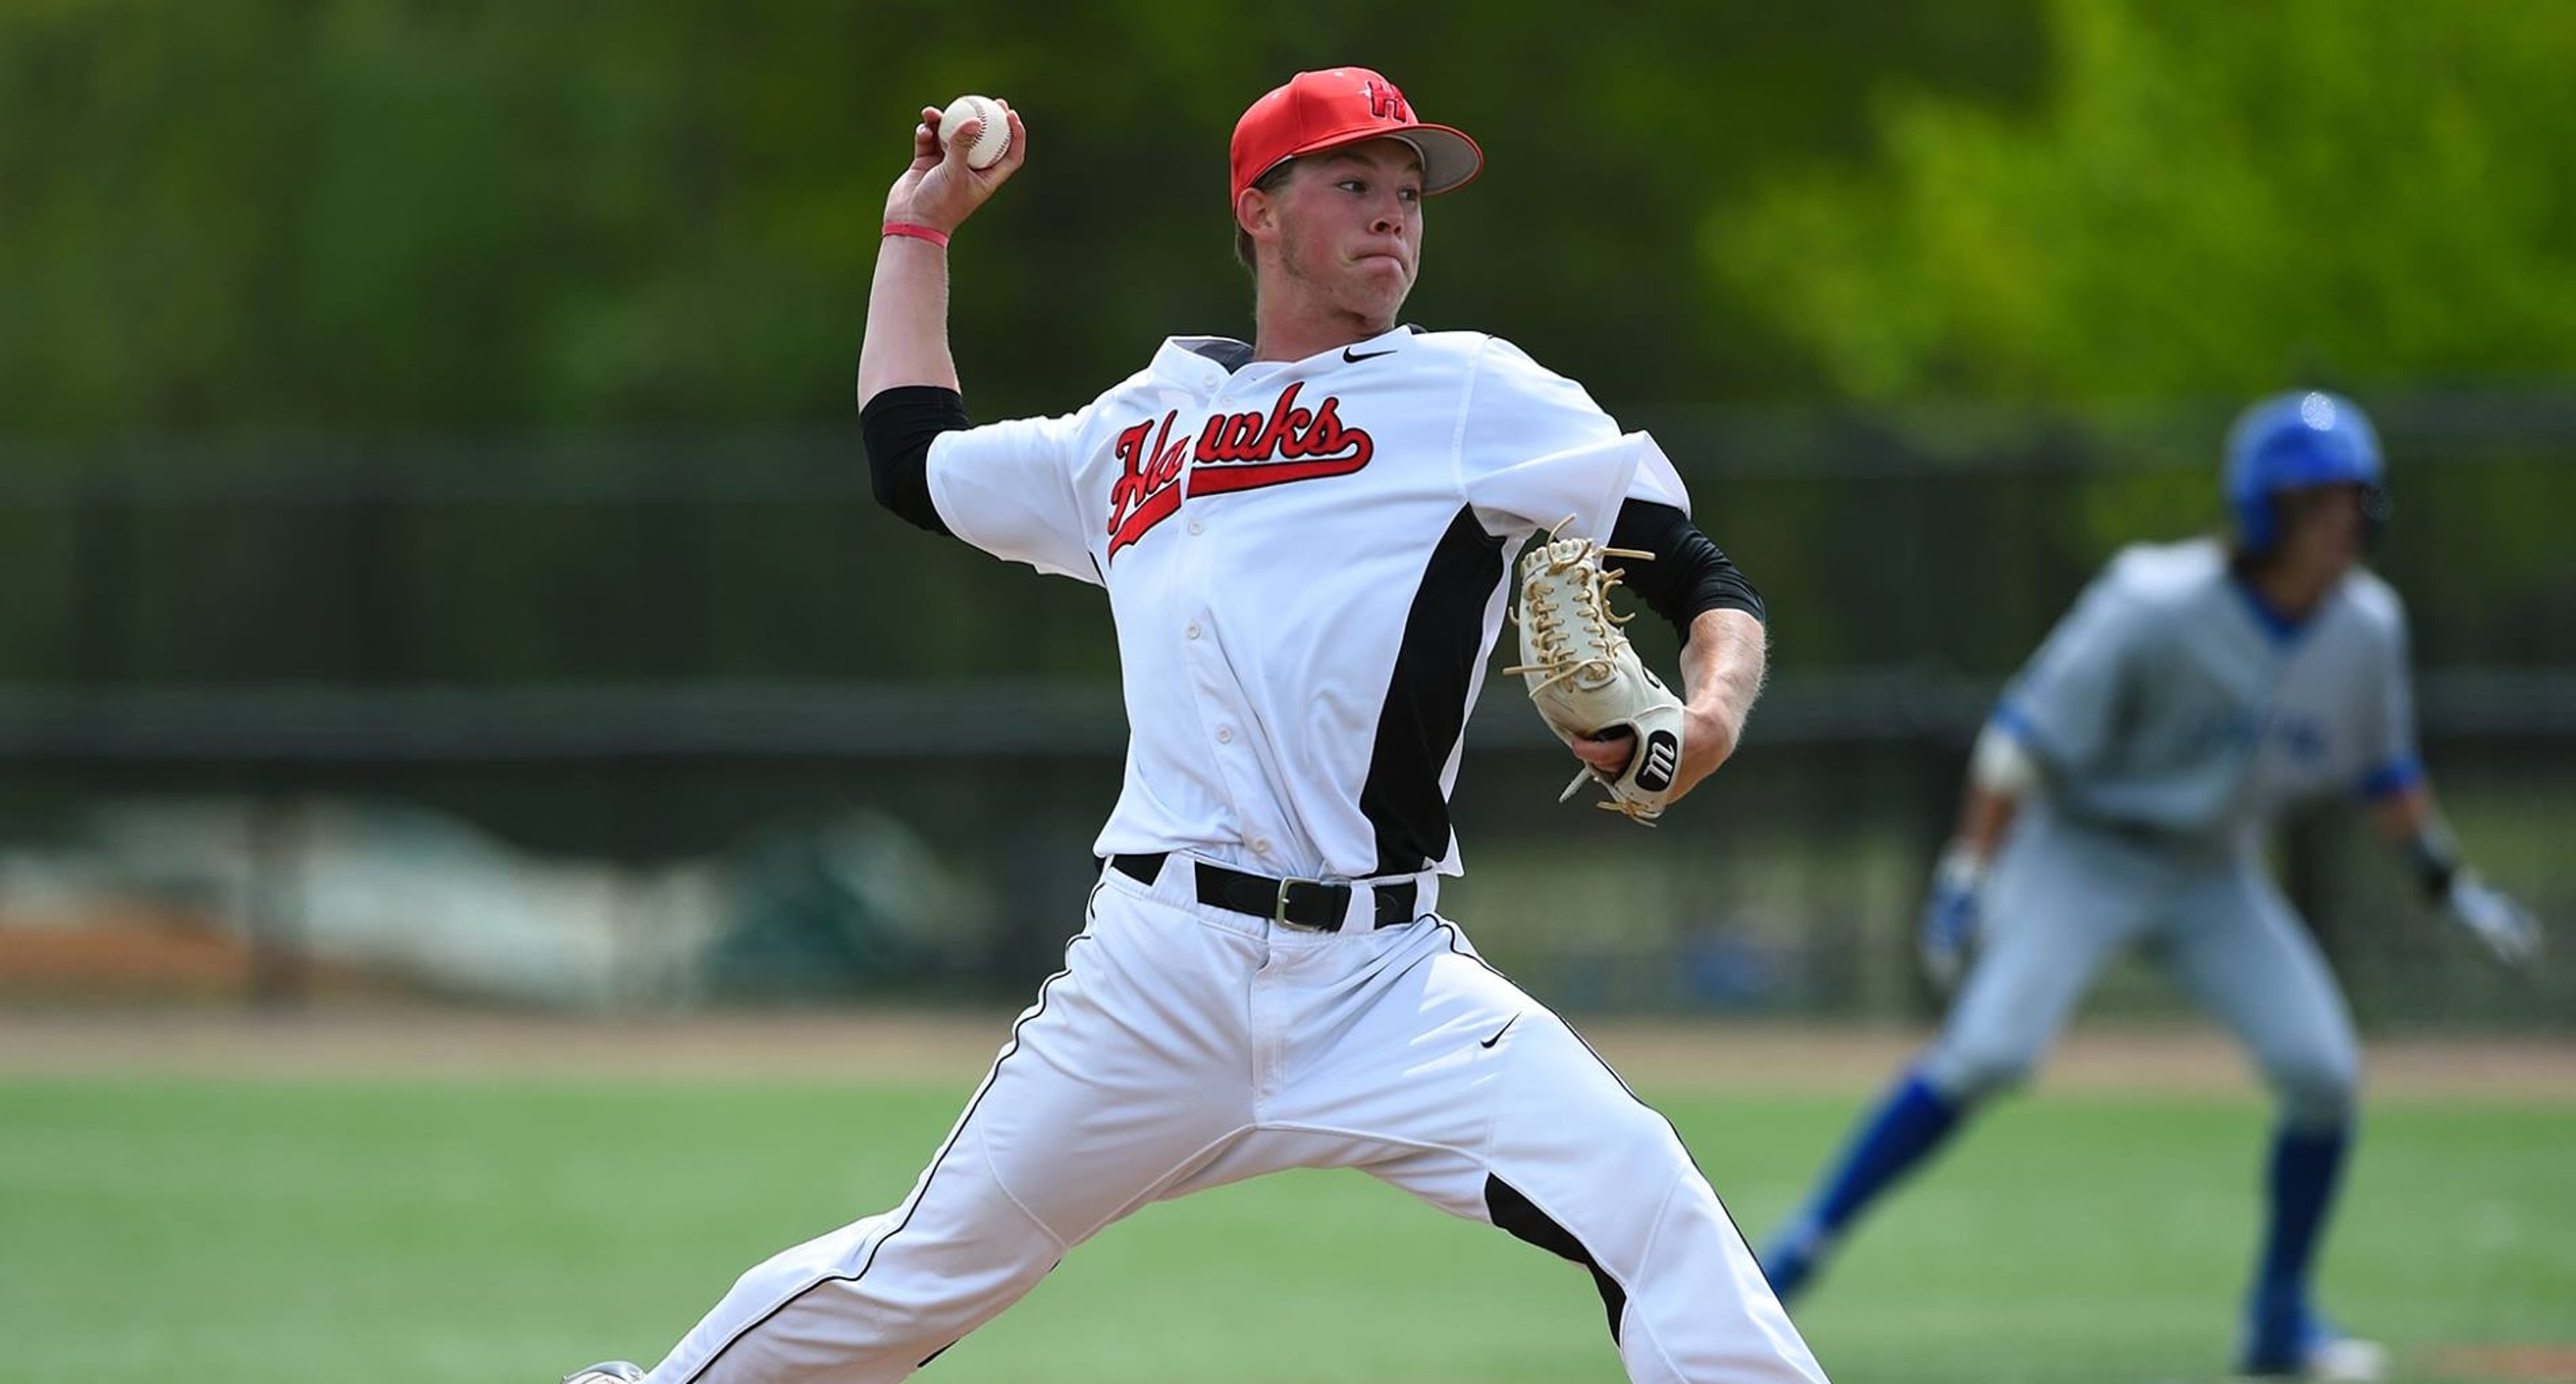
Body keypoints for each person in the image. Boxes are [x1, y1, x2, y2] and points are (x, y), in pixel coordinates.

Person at [561, 67, 1823, 1383]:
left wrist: (1713, 713)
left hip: (1385, 983)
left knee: (1651, 1201)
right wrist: (918, 231)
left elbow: (1697, 575)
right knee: (920, 1272)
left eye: (1409, 194)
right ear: (1258, 211)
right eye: (1354, 183)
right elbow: (910, 461)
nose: (1395, 215)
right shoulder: (1138, 427)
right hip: (1160, 973)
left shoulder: (1472, 394)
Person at [1753, 391, 2544, 1380]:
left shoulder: (2367, 629)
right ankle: (1795, 1251)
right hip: (2083, 849)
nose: (2345, 522)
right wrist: (1967, 872)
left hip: (2213, 868)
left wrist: (2449, 883)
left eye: (2356, 501)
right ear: (2263, 510)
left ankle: (2279, 1317)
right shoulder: (2154, 601)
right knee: (1989, 1051)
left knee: (2323, 1072)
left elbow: (2383, 773)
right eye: (2317, 502)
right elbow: (2019, 742)